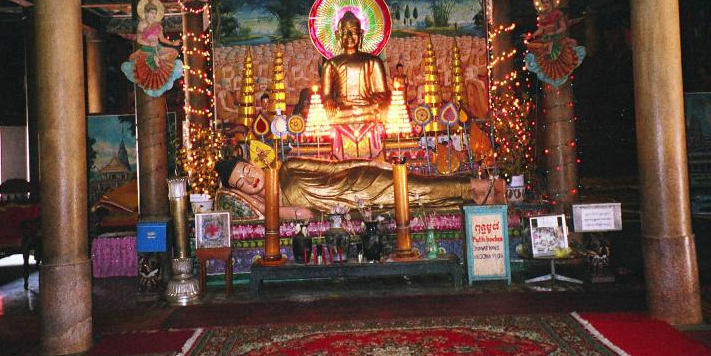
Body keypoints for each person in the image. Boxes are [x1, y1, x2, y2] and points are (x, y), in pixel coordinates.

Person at [216, 156, 505, 218]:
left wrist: (372, 164)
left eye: (245, 170)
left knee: (418, 186)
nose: (249, 179)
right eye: (241, 183)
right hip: (354, 207)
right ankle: (474, 204)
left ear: (252, 162)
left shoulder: (288, 166)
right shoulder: (275, 208)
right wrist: (268, 209)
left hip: (361, 180)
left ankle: (482, 186)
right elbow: (305, 214)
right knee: (420, 205)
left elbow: (334, 166)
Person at [321, 11, 391, 124]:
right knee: (324, 114)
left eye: (353, 32)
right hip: (341, 110)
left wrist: (368, 103)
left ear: (361, 34)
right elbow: (326, 94)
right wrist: (329, 101)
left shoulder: (373, 61)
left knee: (386, 110)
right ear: (338, 35)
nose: (349, 36)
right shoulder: (330, 64)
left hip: (367, 108)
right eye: (345, 32)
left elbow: (382, 92)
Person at [122, 0, 183, 97]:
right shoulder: (142, 25)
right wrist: (148, 43)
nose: (153, 15)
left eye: (155, 13)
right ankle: (154, 71)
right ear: (146, 13)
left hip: (157, 48)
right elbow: (139, 39)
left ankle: (159, 65)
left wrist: (173, 43)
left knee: (174, 52)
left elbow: (162, 39)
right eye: (151, 13)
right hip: (147, 49)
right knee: (150, 66)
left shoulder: (158, 26)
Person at [525, 0, 585, 86]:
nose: (545, 4)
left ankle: (555, 71)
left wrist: (554, 32)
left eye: (547, 2)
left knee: (552, 49)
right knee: (530, 45)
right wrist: (531, 36)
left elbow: (563, 27)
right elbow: (540, 30)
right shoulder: (541, 15)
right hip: (545, 38)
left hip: (555, 37)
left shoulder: (558, 13)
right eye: (543, 2)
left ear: (551, 2)